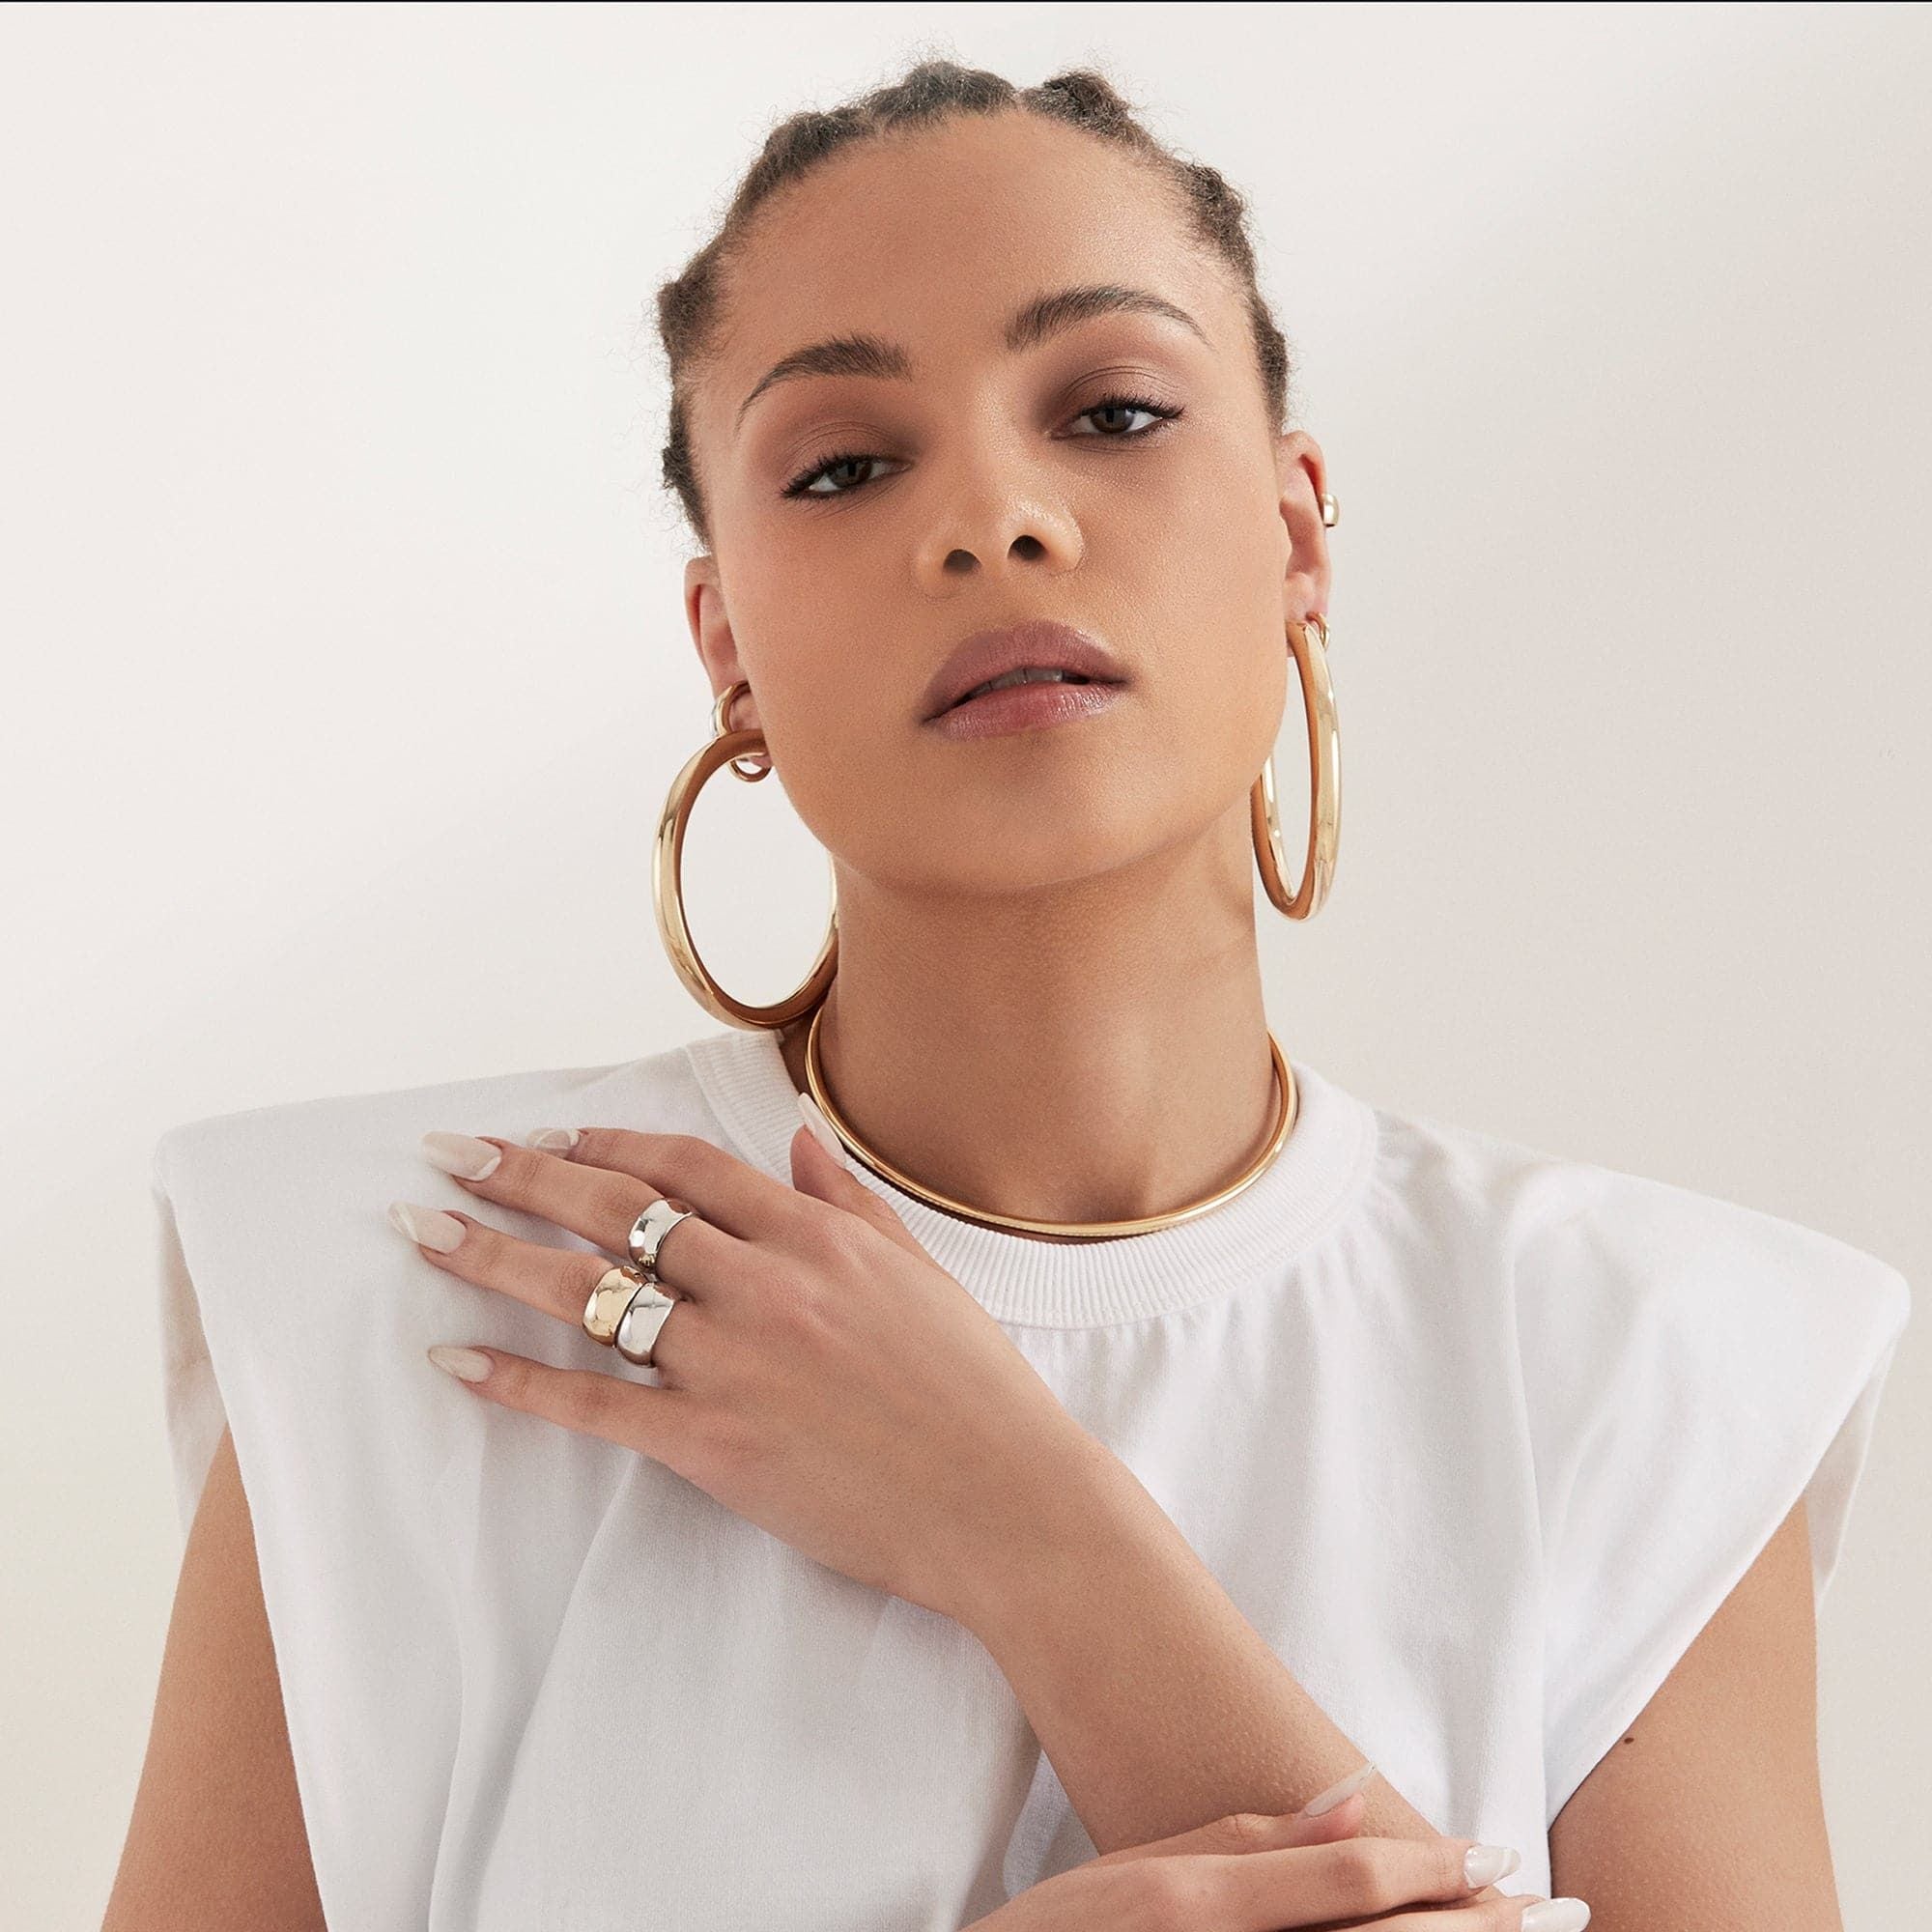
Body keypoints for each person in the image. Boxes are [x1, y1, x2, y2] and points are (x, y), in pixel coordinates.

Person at [108, 56, 1909, 1932]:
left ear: (1297, 537)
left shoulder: (1655, 1368)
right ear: (726, 643)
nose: (993, 517)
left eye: (1113, 410)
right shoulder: (416, 1300)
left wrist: (1026, 1529)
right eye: (845, 464)